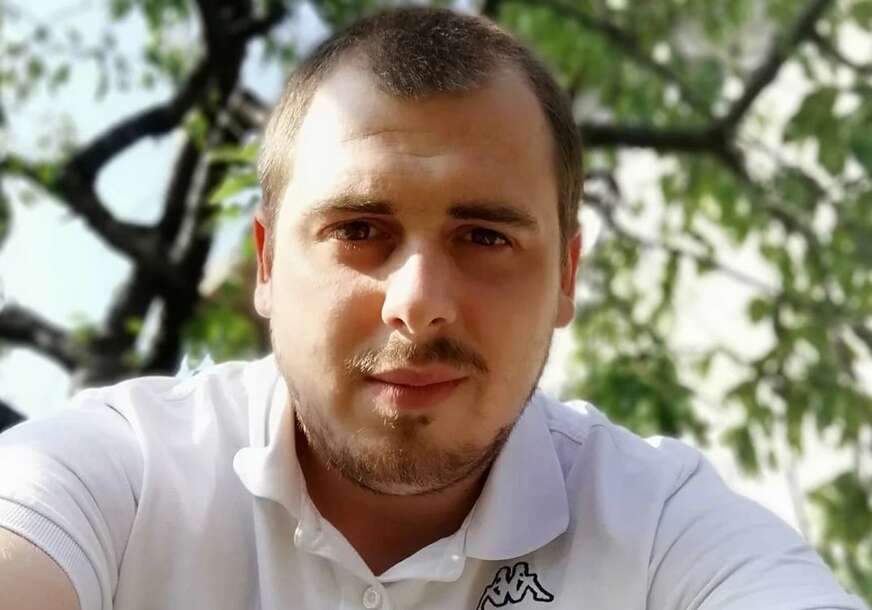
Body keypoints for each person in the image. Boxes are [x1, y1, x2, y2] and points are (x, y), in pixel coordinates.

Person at [0, 7, 865, 610]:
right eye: (358, 230)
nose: (417, 304)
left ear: (566, 277)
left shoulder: (660, 525)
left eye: (485, 237)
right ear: (267, 263)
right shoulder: (123, 471)